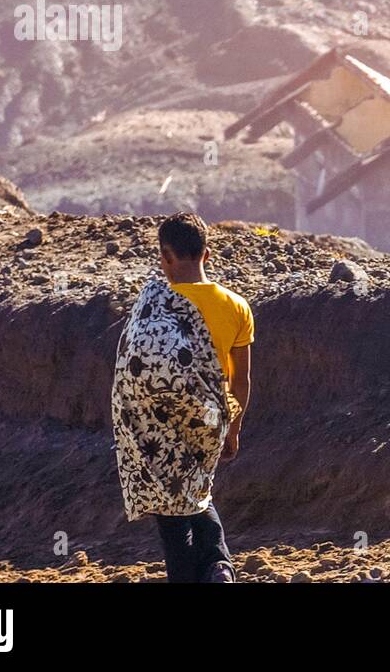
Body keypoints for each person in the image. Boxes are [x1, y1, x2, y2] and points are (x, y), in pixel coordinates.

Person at [111, 212, 254, 583]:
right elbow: (242, 381)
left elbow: (134, 369)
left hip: (162, 427)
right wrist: (232, 429)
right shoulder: (237, 306)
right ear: (207, 254)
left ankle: (203, 571)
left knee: (172, 513)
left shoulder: (155, 308)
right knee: (195, 495)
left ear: (165, 256)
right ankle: (219, 567)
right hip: (209, 422)